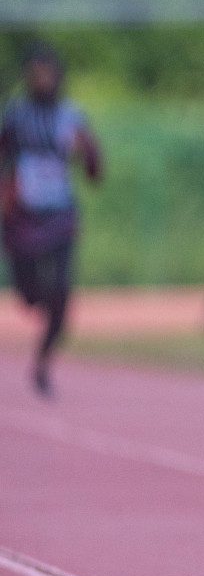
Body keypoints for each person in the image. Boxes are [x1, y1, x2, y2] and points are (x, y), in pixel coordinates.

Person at [0, 42, 101, 398]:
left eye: (48, 72)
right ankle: (37, 298)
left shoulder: (71, 117)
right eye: (35, 72)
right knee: (29, 296)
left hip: (60, 216)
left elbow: (95, 170)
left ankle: (43, 363)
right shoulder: (15, 115)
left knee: (60, 296)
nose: (41, 79)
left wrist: (84, 150)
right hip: (21, 219)